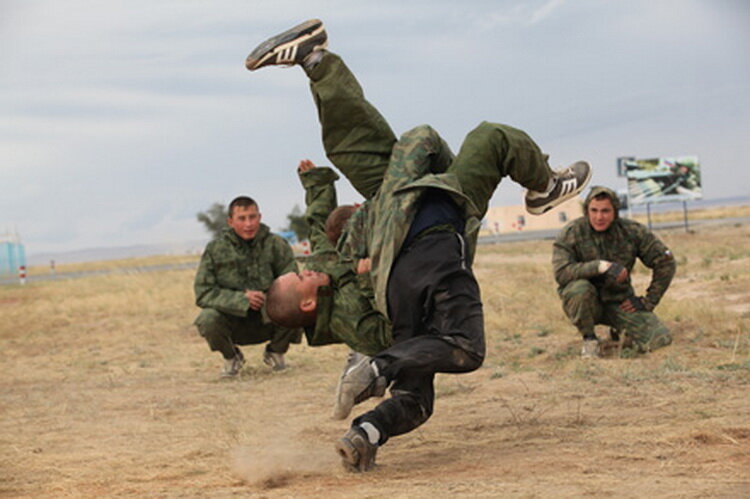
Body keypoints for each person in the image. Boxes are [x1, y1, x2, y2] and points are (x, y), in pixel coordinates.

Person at [246, 19, 592, 471]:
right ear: (308, 301)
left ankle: (314, 58)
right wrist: (369, 283)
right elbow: (390, 325)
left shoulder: (329, 278)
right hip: (411, 229)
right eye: (299, 276)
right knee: (468, 139)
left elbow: (320, 229)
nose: (305, 266)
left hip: (414, 219)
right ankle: (545, 184)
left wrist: (315, 185)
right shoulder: (352, 316)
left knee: (361, 147)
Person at [552, 186, 676, 358]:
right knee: (579, 289)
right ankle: (590, 340)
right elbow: (561, 273)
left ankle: (618, 330)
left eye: (605, 211)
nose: (599, 217)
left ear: (615, 212)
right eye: (593, 210)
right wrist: (599, 267)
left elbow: (665, 261)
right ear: (586, 210)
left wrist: (648, 301)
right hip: (586, 303)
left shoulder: (632, 231)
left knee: (660, 339)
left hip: (619, 301)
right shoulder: (571, 233)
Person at [194, 196, 302, 377]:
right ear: (230, 221)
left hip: (270, 317)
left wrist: (269, 298)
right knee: (207, 318)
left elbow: (293, 283)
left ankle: (276, 352)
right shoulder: (215, 249)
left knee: (299, 304)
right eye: (242, 218)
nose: (249, 224)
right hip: (233, 320)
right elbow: (203, 292)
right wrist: (241, 300)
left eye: (252, 217)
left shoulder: (276, 245)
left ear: (260, 217)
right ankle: (232, 358)